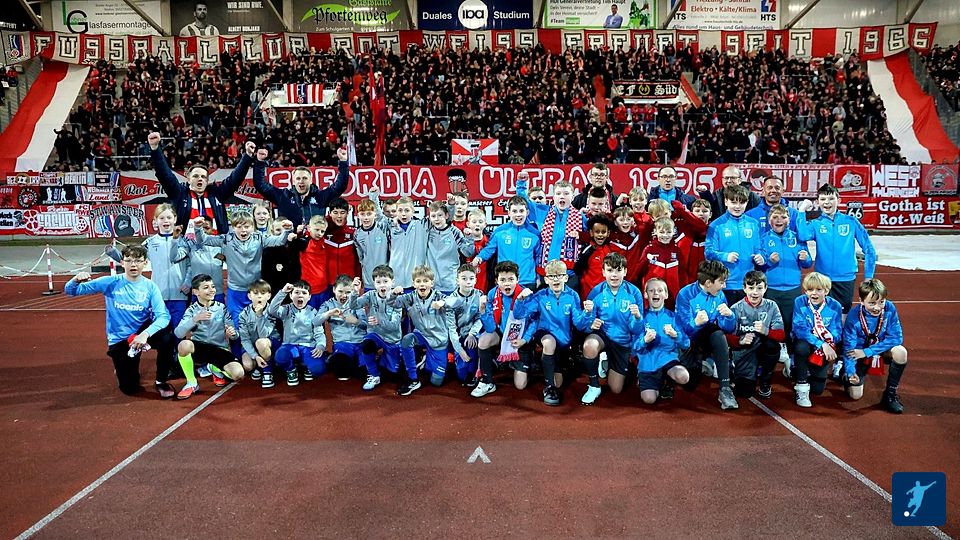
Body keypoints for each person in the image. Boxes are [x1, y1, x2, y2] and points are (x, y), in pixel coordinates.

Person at [65, 245, 177, 398]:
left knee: (167, 338)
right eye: (129, 261)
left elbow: (163, 317)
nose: (133, 265)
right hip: (120, 339)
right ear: (122, 263)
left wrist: (145, 334)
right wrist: (76, 280)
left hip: (141, 332)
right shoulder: (110, 282)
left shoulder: (150, 287)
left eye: (138, 261)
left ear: (145, 263)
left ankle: (161, 381)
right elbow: (71, 291)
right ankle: (122, 368)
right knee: (130, 388)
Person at [512, 260, 592, 405]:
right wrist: (520, 300)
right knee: (549, 343)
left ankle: (549, 366)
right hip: (544, 333)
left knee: (559, 381)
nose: (556, 279)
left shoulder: (573, 296)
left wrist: (587, 313)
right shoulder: (540, 296)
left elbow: (579, 324)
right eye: (551, 276)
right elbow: (519, 315)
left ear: (566, 278)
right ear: (546, 279)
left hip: (564, 341)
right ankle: (549, 388)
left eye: (559, 275)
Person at [148, 131, 253, 233]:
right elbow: (165, 175)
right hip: (187, 243)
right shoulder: (179, 193)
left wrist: (247, 156)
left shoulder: (217, 193)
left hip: (215, 242)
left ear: (207, 181)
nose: (200, 179)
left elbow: (234, 179)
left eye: (203, 177)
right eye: (196, 176)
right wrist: (155, 148)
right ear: (188, 179)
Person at [107, 203, 190, 330]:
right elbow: (133, 260)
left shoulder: (183, 241)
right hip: (158, 295)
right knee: (161, 332)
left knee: (178, 331)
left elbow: (190, 265)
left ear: (175, 219)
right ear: (155, 221)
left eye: (169, 217)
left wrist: (188, 282)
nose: (166, 221)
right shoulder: (150, 242)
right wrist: (114, 254)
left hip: (179, 295)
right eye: (161, 218)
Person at [578, 252, 645, 405]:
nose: (614, 275)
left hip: (622, 341)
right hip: (603, 335)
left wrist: (637, 317)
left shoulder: (634, 293)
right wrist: (590, 323)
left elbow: (637, 330)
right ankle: (594, 386)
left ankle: (608, 360)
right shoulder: (596, 291)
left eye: (618, 270)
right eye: (610, 270)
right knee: (589, 345)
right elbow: (584, 325)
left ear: (625, 272)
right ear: (603, 272)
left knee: (616, 389)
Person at [799, 184, 876, 313]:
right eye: (823, 199)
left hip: (845, 279)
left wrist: (868, 276)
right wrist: (802, 211)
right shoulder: (816, 224)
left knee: (843, 315)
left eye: (831, 199)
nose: (827, 202)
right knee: (821, 316)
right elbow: (803, 235)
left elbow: (869, 249)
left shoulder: (851, 222)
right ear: (817, 202)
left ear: (839, 200)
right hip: (822, 279)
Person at [674, 260, 738, 410]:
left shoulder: (720, 296)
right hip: (688, 341)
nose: (724, 286)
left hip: (707, 336)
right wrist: (695, 323)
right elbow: (683, 330)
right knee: (689, 384)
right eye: (721, 282)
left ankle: (725, 388)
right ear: (708, 283)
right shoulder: (685, 294)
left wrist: (730, 317)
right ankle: (700, 362)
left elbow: (727, 329)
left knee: (719, 335)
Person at [392, 265, 465, 394]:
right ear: (413, 284)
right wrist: (393, 294)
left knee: (436, 382)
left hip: (438, 341)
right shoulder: (410, 298)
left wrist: (443, 303)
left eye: (425, 281)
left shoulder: (438, 296)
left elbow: (458, 301)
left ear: (432, 283)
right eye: (418, 281)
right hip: (421, 335)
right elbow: (391, 303)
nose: (422, 284)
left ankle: (428, 360)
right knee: (407, 340)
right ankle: (413, 379)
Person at [471, 261, 539, 399]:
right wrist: (482, 311)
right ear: (497, 281)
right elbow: (490, 327)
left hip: (520, 339)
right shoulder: (492, 294)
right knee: (483, 340)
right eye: (502, 280)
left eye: (511, 279)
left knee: (520, 385)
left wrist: (525, 339)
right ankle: (487, 381)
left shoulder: (526, 295)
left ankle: (528, 363)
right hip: (502, 334)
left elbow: (535, 320)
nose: (507, 284)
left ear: (517, 279)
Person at [841, 278, 908, 414]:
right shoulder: (853, 316)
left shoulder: (889, 308)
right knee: (855, 395)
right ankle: (845, 375)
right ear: (861, 301)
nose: (877, 307)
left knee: (901, 352)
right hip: (859, 353)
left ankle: (890, 394)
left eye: (881, 302)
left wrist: (868, 351)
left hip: (877, 349)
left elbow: (896, 338)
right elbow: (849, 347)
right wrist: (850, 370)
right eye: (872, 303)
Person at [760, 204, 812, 375]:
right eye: (775, 217)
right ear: (769, 220)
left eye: (783, 217)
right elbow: (758, 265)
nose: (779, 220)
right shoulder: (763, 239)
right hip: (771, 290)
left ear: (789, 220)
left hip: (792, 290)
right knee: (771, 326)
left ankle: (792, 361)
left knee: (791, 326)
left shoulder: (797, 238)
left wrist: (805, 258)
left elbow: (807, 263)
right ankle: (766, 362)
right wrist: (769, 261)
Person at [174, 274, 244, 399]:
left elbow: (234, 335)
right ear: (196, 292)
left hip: (219, 349)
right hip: (200, 348)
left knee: (238, 374)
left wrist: (232, 334)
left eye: (212, 286)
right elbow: (178, 333)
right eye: (206, 287)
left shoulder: (222, 308)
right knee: (184, 345)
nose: (211, 290)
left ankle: (213, 367)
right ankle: (191, 383)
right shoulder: (192, 310)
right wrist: (195, 319)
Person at [253, 147, 350, 228]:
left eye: (304, 178)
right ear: (293, 181)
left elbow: (339, 186)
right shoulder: (283, 196)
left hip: (314, 242)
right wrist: (260, 162)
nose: (301, 181)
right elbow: (261, 185)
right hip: (290, 242)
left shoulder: (320, 196)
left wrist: (343, 162)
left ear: (311, 180)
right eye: (298, 178)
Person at [517, 172, 585, 285]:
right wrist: (521, 183)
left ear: (573, 197)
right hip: (546, 272)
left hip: (569, 273)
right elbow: (524, 203)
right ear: (553, 197)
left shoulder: (581, 217)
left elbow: (590, 238)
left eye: (566, 193)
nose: (562, 196)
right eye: (558, 193)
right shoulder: (543, 212)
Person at [727, 271, 785, 399]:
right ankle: (736, 371)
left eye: (759, 288)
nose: (755, 292)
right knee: (744, 393)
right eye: (751, 288)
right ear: (744, 288)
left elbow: (781, 335)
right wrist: (740, 340)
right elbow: (726, 337)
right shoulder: (735, 309)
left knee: (773, 346)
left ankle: (765, 380)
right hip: (745, 351)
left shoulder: (772, 306)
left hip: (763, 348)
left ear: (765, 288)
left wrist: (766, 331)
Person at [790, 272, 844, 408]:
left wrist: (828, 341)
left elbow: (837, 331)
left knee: (817, 390)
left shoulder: (835, 306)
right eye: (810, 289)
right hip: (808, 343)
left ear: (826, 291)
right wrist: (820, 343)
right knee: (801, 347)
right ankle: (801, 385)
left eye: (818, 290)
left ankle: (807, 370)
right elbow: (799, 329)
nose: (814, 293)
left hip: (823, 346)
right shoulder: (800, 302)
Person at [705, 184, 764, 305]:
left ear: (747, 203)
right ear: (726, 202)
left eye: (741, 202)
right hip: (725, 285)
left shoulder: (753, 224)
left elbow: (760, 249)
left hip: (749, 285)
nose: (737, 206)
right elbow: (708, 253)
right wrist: (725, 256)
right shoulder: (716, 225)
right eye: (733, 202)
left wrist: (761, 257)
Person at [635, 278, 690, 404]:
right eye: (651, 290)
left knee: (683, 376)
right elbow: (633, 347)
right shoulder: (640, 318)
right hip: (647, 363)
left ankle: (667, 379)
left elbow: (686, 344)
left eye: (660, 290)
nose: (656, 293)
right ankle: (657, 382)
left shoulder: (673, 317)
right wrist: (644, 340)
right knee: (649, 399)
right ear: (645, 294)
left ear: (666, 295)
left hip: (668, 359)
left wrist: (675, 335)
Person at [473, 196, 541, 289]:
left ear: (527, 212)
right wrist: (480, 257)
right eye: (514, 211)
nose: (518, 215)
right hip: (505, 281)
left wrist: (538, 277)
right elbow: (489, 249)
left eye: (521, 211)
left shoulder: (535, 234)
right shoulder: (499, 232)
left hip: (527, 281)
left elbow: (538, 257)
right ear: (509, 213)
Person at [267, 281, 327, 387]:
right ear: (290, 295)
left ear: (309, 297)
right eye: (296, 292)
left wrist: (321, 345)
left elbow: (319, 332)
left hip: (308, 346)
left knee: (319, 369)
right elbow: (272, 310)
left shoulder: (313, 312)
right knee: (280, 356)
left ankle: (306, 366)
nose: (300, 295)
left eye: (304, 293)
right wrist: (283, 292)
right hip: (290, 345)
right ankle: (291, 369)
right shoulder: (286, 309)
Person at [356, 265, 405, 392]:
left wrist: (379, 321)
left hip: (392, 339)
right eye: (378, 282)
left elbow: (394, 325)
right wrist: (354, 292)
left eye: (385, 281)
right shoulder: (370, 295)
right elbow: (353, 306)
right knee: (366, 344)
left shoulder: (397, 299)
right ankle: (374, 375)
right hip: (375, 334)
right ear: (374, 283)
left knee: (393, 376)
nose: (382, 285)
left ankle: (384, 360)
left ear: (392, 282)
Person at [315, 275, 367, 381]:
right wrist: (328, 314)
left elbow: (367, 325)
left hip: (360, 342)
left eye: (348, 292)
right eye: (340, 291)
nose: (344, 295)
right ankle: (342, 360)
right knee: (341, 371)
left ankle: (358, 362)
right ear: (334, 289)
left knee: (365, 373)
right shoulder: (327, 305)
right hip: (342, 344)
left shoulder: (356, 303)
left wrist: (356, 321)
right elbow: (315, 322)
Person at [445, 264, 484, 386]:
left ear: (476, 280)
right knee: (461, 376)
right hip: (457, 337)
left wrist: (472, 333)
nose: (468, 282)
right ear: (457, 280)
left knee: (471, 370)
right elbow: (451, 328)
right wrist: (460, 349)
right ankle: (453, 358)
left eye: (471, 278)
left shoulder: (479, 295)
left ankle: (481, 364)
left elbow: (480, 318)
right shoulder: (451, 300)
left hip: (472, 335)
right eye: (464, 278)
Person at [237, 280, 280, 388]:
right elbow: (245, 339)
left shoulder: (272, 311)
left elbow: (263, 335)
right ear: (249, 296)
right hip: (253, 345)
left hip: (270, 343)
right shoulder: (243, 314)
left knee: (261, 343)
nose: (259, 296)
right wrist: (255, 356)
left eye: (263, 293)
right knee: (248, 366)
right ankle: (259, 365)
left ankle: (267, 372)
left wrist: (259, 316)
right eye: (256, 293)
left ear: (269, 296)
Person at [426, 200, 475, 294]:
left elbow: (468, 253)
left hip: (450, 284)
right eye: (433, 216)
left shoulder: (455, 232)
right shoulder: (427, 231)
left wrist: (469, 238)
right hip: (432, 285)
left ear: (446, 215)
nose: (436, 219)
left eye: (440, 215)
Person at [636, 217, 684, 310]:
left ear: (674, 232)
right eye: (661, 232)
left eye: (668, 232)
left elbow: (682, 273)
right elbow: (639, 271)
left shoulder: (676, 250)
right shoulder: (649, 249)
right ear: (655, 232)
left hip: (672, 296)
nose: (665, 235)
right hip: (653, 295)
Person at [574, 213, 622, 298]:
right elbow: (577, 269)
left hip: (607, 294)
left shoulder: (611, 249)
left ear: (608, 233)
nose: (600, 235)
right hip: (589, 293)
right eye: (597, 232)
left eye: (603, 232)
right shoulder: (587, 251)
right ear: (591, 233)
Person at [355, 193, 392, 291]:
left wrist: (374, 196)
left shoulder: (383, 227)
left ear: (375, 215)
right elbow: (361, 257)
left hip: (385, 278)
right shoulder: (357, 234)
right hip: (369, 281)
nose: (366, 218)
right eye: (362, 214)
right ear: (358, 216)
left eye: (369, 214)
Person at [290, 215, 329, 308]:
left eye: (322, 231)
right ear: (309, 228)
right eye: (317, 230)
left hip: (324, 287)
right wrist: (294, 234)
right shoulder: (303, 242)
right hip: (309, 289)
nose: (319, 233)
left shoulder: (325, 242)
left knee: (323, 315)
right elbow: (289, 247)